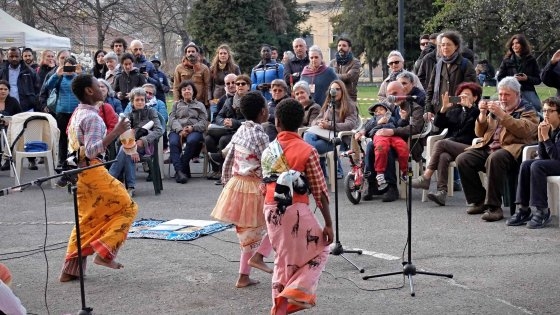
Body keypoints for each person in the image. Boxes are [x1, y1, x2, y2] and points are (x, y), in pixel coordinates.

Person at [59, 74, 137, 282]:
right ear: (89, 91)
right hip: (93, 171)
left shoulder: (78, 112)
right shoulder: (92, 117)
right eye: (97, 84)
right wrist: (117, 131)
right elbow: (92, 151)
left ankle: (70, 270)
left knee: (87, 219)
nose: (103, 87)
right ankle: (105, 254)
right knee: (127, 207)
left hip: (80, 173)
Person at [261, 98, 333, 313]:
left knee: (283, 259)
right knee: (321, 249)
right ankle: (294, 292)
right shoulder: (307, 150)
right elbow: (320, 191)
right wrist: (328, 224)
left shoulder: (268, 151)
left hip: (271, 209)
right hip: (296, 209)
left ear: (277, 122)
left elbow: (263, 187)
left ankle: (280, 307)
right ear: (301, 122)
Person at [455, 76, 539, 222]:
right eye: (500, 94)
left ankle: (494, 207)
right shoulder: (496, 108)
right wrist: (481, 115)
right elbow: (480, 133)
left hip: (513, 151)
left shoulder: (528, 110)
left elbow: (524, 131)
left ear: (517, 95)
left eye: (507, 95)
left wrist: (502, 115)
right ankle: (479, 200)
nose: (503, 98)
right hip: (490, 147)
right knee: (463, 159)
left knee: (495, 158)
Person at [210, 91, 271, 288]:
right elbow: (268, 162)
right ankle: (260, 257)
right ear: (263, 112)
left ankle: (243, 276)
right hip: (254, 187)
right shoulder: (260, 134)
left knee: (247, 234)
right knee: (277, 223)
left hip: (236, 185)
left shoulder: (242, 129)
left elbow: (229, 154)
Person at [410, 82, 481, 205]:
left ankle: (426, 177)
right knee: (443, 156)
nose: (463, 97)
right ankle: (441, 193)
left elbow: (471, 129)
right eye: (461, 95)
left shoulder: (478, 112)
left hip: (471, 147)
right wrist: (443, 109)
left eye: (467, 95)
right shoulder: (455, 111)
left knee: (442, 143)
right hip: (453, 147)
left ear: (475, 98)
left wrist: (470, 108)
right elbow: (437, 126)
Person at [362, 81, 424, 202]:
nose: (393, 97)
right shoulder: (389, 105)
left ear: (404, 92)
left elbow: (415, 128)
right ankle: (372, 183)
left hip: (407, 143)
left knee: (388, 149)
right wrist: (363, 130)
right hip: (385, 139)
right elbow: (374, 120)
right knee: (370, 146)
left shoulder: (415, 107)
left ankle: (392, 186)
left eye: (395, 93)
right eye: (390, 94)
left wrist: (395, 130)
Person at [508, 97, 560, 228]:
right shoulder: (548, 127)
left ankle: (542, 210)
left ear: (559, 113)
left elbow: (556, 157)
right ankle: (523, 209)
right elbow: (543, 155)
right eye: (544, 111)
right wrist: (541, 137)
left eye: (550, 111)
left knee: (538, 165)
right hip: (554, 162)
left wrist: (546, 138)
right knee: (526, 164)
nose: (546, 114)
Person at [109, 87, 163, 197]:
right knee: (127, 151)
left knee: (125, 150)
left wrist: (143, 140)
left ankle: (109, 180)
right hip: (128, 147)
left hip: (146, 146)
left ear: (145, 101)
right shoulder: (128, 115)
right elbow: (120, 134)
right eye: (137, 100)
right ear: (132, 101)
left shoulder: (151, 112)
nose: (140, 102)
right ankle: (130, 187)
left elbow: (159, 130)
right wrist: (132, 147)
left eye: (142, 100)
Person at [303, 79, 358, 178]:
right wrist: (319, 122)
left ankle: (319, 172)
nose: (334, 92)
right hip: (323, 135)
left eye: (337, 89)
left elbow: (350, 124)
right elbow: (315, 121)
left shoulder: (350, 106)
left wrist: (330, 125)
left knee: (312, 147)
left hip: (338, 139)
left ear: (343, 91)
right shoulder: (328, 104)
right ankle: (322, 171)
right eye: (332, 89)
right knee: (307, 135)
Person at [206, 75, 251, 180]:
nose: (239, 86)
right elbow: (218, 116)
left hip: (242, 131)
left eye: (242, 84)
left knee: (223, 140)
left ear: (248, 86)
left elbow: (252, 119)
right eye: (238, 84)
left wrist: (234, 123)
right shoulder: (229, 100)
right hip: (227, 129)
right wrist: (224, 122)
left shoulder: (252, 100)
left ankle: (224, 172)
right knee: (208, 139)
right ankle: (215, 169)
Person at [357, 102, 409, 190]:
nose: (379, 112)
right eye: (376, 111)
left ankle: (404, 171)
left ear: (387, 111)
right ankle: (378, 174)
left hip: (393, 135)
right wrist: (378, 122)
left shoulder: (392, 118)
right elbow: (366, 128)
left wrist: (403, 119)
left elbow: (399, 125)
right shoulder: (373, 120)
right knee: (380, 148)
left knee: (403, 147)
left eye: (381, 109)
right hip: (379, 136)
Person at [425, 31, 477, 119]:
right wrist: (428, 109)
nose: (445, 47)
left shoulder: (465, 64)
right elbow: (430, 90)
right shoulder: (438, 66)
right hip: (439, 112)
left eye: (448, 44)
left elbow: (470, 92)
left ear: (456, 46)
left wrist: (451, 101)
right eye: (443, 45)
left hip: (459, 113)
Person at [168, 80, 208, 183]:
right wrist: (180, 130)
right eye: (184, 89)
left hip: (194, 130)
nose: (187, 91)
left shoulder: (200, 105)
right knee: (173, 143)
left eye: (189, 89)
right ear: (181, 92)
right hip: (178, 130)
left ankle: (180, 169)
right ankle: (181, 172)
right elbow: (172, 119)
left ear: (193, 91)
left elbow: (204, 122)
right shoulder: (176, 105)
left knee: (192, 141)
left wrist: (192, 128)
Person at [44, 56, 81, 168]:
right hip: (61, 111)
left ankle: (74, 159)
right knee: (62, 137)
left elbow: (87, 86)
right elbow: (47, 86)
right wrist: (57, 74)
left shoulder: (78, 78)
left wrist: (80, 74)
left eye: (71, 68)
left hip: (76, 112)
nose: (69, 71)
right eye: (67, 68)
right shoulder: (60, 78)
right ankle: (62, 159)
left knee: (75, 137)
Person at [497, 34, 542, 111]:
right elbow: (500, 77)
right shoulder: (506, 60)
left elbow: (538, 79)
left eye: (517, 43)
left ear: (523, 45)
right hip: (512, 90)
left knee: (537, 107)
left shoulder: (531, 60)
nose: (514, 45)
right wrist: (512, 79)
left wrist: (527, 78)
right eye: (513, 44)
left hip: (527, 89)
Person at [0, 47, 41, 112]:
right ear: (7, 57)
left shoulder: (30, 71)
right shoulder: (2, 71)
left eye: (16, 56)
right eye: (11, 56)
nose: (14, 58)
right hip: (7, 108)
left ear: (20, 57)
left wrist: (33, 102)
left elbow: (38, 89)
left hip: (27, 109)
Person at [172, 42, 210, 108]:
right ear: (186, 54)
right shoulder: (179, 68)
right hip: (183, 103)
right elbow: (176, 86)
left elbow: (207, 86)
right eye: (188, 52)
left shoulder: (204, 68)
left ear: (197, 53)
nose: (191, 53)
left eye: (193, 51)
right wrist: (176, 101)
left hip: (199, 102)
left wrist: (207, 102)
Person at [0, 79, 23, 171]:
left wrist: (10, 122)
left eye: (6, 89)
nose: (3, 91)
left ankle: (7, 160)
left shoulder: (13, 101)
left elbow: (20, 116)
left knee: (8, 134)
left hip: (10, 127)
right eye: (1, 89)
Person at [329, 37, 361, 102]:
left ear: (349, 48)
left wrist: (333, 76)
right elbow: (327, 77)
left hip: (349, 98)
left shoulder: (355, 62)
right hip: (334, 97)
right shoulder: (332, 63)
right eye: (339, 45)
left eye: (344, 46)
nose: (341, 47)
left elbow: (349, 77)